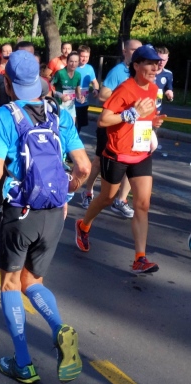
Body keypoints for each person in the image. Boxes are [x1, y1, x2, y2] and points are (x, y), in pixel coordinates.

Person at [0, 50, 91, 384]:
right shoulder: (58, 112)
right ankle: (58, 327)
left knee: (10, 283)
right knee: (33, 282)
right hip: (54, 212)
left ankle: (23, 363)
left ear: (7, 83)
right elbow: (84, 167)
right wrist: (66, 190)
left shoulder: (3, 115)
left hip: (20, 211)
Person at [75, 45, 166, 274]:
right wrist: (131, 113)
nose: (155, 68)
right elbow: (103, 120)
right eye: (149, 63)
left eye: (156, 64)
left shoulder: (153, 89)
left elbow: (143, 118)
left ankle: (140, 258)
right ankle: (83, 225)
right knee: (107, 198)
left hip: (141, 153)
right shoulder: (125, 89)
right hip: (117, 153)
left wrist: (152, 122)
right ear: (136, 65)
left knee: (142, 205)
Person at [79, 39, 142, 213]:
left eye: (140, 49)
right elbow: (103, 95)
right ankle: (87, 192)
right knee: (100, 161)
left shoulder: (142, 73)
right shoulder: (118, 71)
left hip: (133, 127)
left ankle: (120, 200)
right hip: (112, 125)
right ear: (125, 51)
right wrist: (126, 98)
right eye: (134, 50)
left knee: (132, 162)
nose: (138, 53)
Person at [50, 51, 82, 120]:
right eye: (71, 61)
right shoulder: (60, 73)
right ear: (67, 62)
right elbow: (50, 86)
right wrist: (60, 95)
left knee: (72, 125)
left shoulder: (78, 75)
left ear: (78, 62)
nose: (73, 64)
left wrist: (80, 97)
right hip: (59, 105)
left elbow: (77, 88)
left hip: (71, 105)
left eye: (76, 61)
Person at [75, 45, 99, 134]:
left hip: (83, 101)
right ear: (78, 55)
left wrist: (96, 90)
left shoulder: (89, 68)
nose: (84, 59)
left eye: (87, 57)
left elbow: (95, 82)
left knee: (80, 124)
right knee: (71, 123)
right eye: (82, 56)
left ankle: (76, 137)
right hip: (71, 101)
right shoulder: (72, 66)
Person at [155, 46, 173, 111]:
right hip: (143, 109)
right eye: (159, 59)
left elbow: (168, 90)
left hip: (157, 110)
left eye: (164, 60)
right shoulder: (146, 71)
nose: (161, 62)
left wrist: (170, 96)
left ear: (167, 59)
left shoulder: (168, 74)